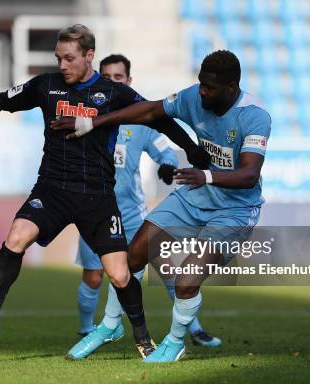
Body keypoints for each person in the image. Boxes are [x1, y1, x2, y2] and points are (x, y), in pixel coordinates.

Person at [0, 24, 209, 359]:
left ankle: (143, 339)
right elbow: (5, 99)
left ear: (89, 56)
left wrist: (191, 147)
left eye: (69, 58)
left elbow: (156, 117)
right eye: (58, 58)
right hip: (53, 188)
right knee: (16, 238)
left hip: (97, 197)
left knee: (119, 274)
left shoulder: (111, 92)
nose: (62, 65)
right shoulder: (46, 86)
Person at [53, 50, 270, 363]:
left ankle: (175, 341)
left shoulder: (254, 115)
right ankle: (110, 325)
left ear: (231, 87)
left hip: (234, 209)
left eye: (209, 87)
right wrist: (94, 122)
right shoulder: (194, 96)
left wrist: (206, 175)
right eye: (201, 84)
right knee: (133, 255)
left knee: (186, 278)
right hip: (195, 195)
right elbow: (151, 111)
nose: (202, 91)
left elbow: (249, 175)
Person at [70, 54, 221, 361]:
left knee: (166, 269)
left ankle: (194, 329)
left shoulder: (139, 122)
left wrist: (167, 167)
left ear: (129, 81)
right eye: (107, 77)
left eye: (119, 77)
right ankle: (88, 329)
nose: (113, 82)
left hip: (131, 213)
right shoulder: (86, 120)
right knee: (94, 276)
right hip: (95, 212)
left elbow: (164, 152)